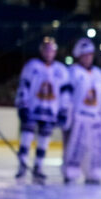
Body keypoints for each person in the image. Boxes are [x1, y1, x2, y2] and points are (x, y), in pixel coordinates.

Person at [15, 37, 69, 184]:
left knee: (44, 141)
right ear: (41, 50)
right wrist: (22, 105)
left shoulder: (61, 70)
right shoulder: (32, 66)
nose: (48, 53)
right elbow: (24, 86)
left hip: (50, 111)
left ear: (55, 52)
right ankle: (23, 166)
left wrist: (63, 111)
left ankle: (38, 166)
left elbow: (65, 94)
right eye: (46, 49)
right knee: (26, 138)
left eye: (51, 50)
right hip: (32, 108)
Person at [63, 38, 101, 185]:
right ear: (78, 56)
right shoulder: (72, 72)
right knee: (76, 146)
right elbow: (67, 96)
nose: (88, 57)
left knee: (98, 147)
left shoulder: (99, 74)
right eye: (85, 54)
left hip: (96, 117)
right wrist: (66, 114)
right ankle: (72, 171)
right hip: (79, 116)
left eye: (90, 54)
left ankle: (95, 171)